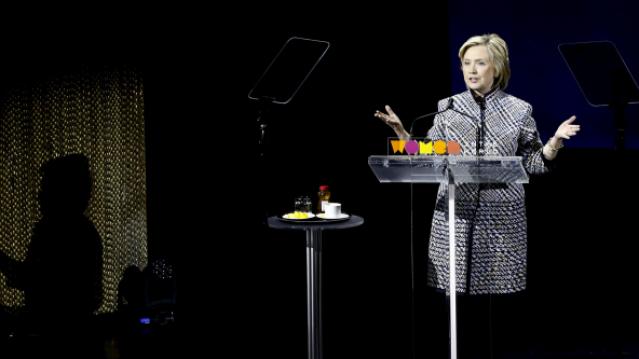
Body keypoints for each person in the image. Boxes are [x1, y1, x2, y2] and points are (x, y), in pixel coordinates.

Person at [374, 33, 580, 356]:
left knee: (498, 320)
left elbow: (533, 162)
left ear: (496, 68)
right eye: (466, 63)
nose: (471, 70)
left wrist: (553, 144)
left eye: (480, 63)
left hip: (500, 227)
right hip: (454, 221)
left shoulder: (518, 111)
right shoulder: (449, 108)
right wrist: (403, 135)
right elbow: (430, 153)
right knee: (457, 313)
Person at [0, 154, 103, 357]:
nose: (39, 195)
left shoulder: (67, 234)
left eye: (45, 188)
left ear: (62, 193)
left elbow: (40, 282)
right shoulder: (74, 231)